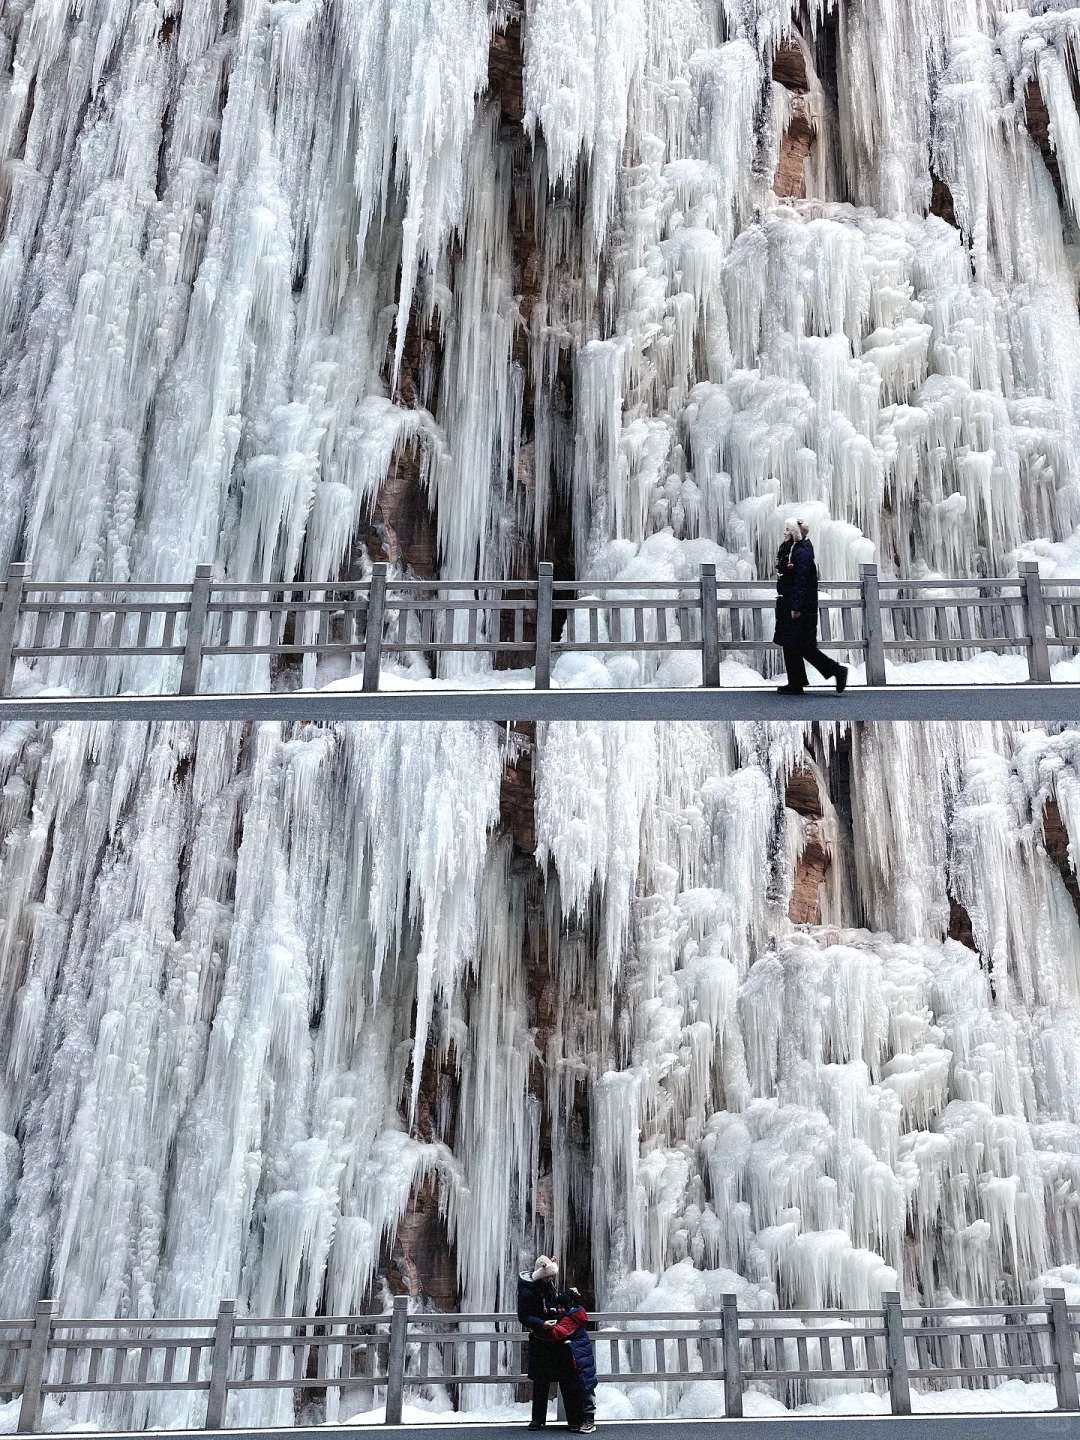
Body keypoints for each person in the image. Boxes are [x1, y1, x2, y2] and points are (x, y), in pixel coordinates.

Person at [517, 1257, 597, 1432]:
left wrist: (572, 1296)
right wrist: (541, 1324)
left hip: (557, 1339)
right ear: (540, 1274)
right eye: (548, 1277)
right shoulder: (527, 1291)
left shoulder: (549, 1286)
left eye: (552, 1277)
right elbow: (523, 1316)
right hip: (540, 1338)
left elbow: (562, 1303)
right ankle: (538, 1419)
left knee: (567, 1380)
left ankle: (574, 1420)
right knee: (540, 1381)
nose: (550, 1280)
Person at [774, 519, 848, 695]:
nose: (784, 533)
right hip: (790, 603)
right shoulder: (793, 551)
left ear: (795, 534)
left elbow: (801, 582)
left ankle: (837, 670)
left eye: (787, 530)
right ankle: (796, 682)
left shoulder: (802, 554)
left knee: (803, 646)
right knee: (790, 644)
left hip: (800, 607)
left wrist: (796, 607)